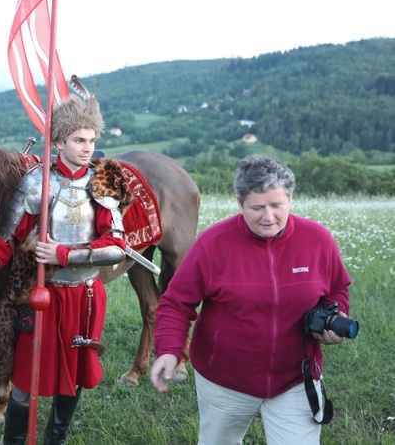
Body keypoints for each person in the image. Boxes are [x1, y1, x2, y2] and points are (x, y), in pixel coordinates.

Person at [0, 93, 127, 444]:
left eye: (92, 140)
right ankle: (14, 440)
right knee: (26, 375)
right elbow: (3, 241)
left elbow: (117, 247)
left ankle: (55, 439)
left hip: (85, 295)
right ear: (59, 142)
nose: (88, 148)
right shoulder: (35, 182)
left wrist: (63, 253)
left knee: (74, 374)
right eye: (79, 140)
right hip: (42, 296)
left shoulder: (103, 182)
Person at [150, 154, 352, 445]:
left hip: (296, 378)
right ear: (240, 203)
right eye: (257, 207)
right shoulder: (212, 244)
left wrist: (336, 315)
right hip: (224, 381)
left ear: (290, 199)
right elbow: (176, 303)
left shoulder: (318, 240)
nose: (268, 216)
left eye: (276, 205)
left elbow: (337, 290)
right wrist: (169, 349)